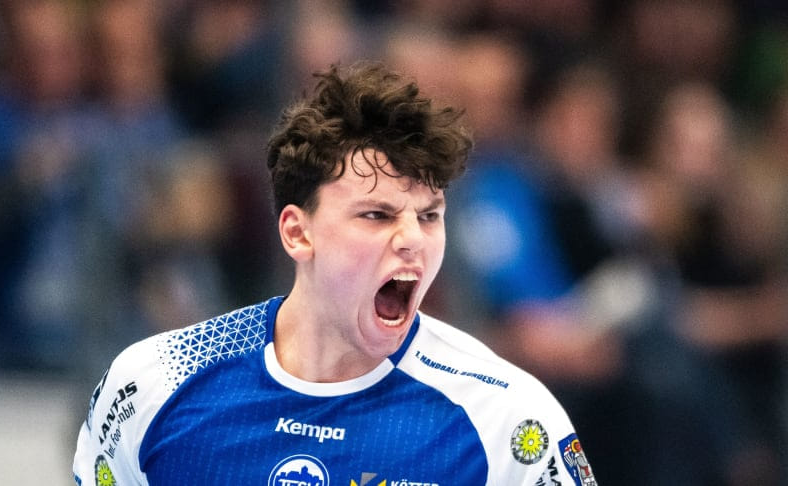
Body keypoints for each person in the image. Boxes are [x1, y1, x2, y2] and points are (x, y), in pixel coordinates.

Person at [72, 62, 597, 486]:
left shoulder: (507, 418)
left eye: (429, 216)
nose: (412, 239)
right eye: (377, 215)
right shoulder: (154, 385)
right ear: (297, 233)